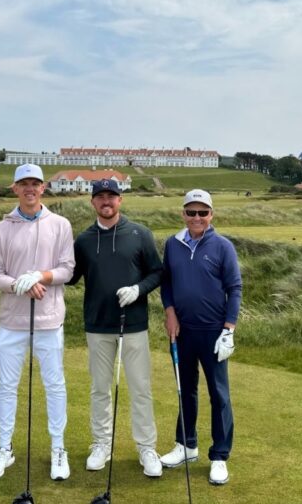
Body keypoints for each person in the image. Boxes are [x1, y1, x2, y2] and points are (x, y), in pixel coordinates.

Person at [0, 163, 75, 481]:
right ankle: (4, 448)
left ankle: (58, 448)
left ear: (43, 187)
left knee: (54, 385)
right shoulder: (2, 229)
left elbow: (67, 269)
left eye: (35, 183)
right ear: (15, 188)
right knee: (7, 387)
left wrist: (41, 276)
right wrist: (18, 284)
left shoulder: (60, 225)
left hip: (50, 320)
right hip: (12, 321)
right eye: (24, 184)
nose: (30, 189)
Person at [68, 178, 164, 478]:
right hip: (97, 325)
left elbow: (157, 272)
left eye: (112, 196)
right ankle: (101, 444)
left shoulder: (139, 234)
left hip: (133, 325)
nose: (106, 201)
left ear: (120, 200)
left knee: (140, 388)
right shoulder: (83, 240)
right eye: (100, 197)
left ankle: (146, 448)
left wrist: (138, 289)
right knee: (99, 389)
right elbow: (70, 277)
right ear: (92, 202)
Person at [159, 189, 242, 485]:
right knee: (186, 389)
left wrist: (229, 329)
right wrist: (169, 312)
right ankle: (186, 445)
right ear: (183, 214)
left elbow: (234, 288)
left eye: (202, 213)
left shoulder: (222, 246)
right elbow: (166, 282)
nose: (197, 218)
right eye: (191, 212)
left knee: (219, 394)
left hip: (213, 332)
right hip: (182, 331)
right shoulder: (173, 244)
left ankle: (219, 455)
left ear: (211, 215)